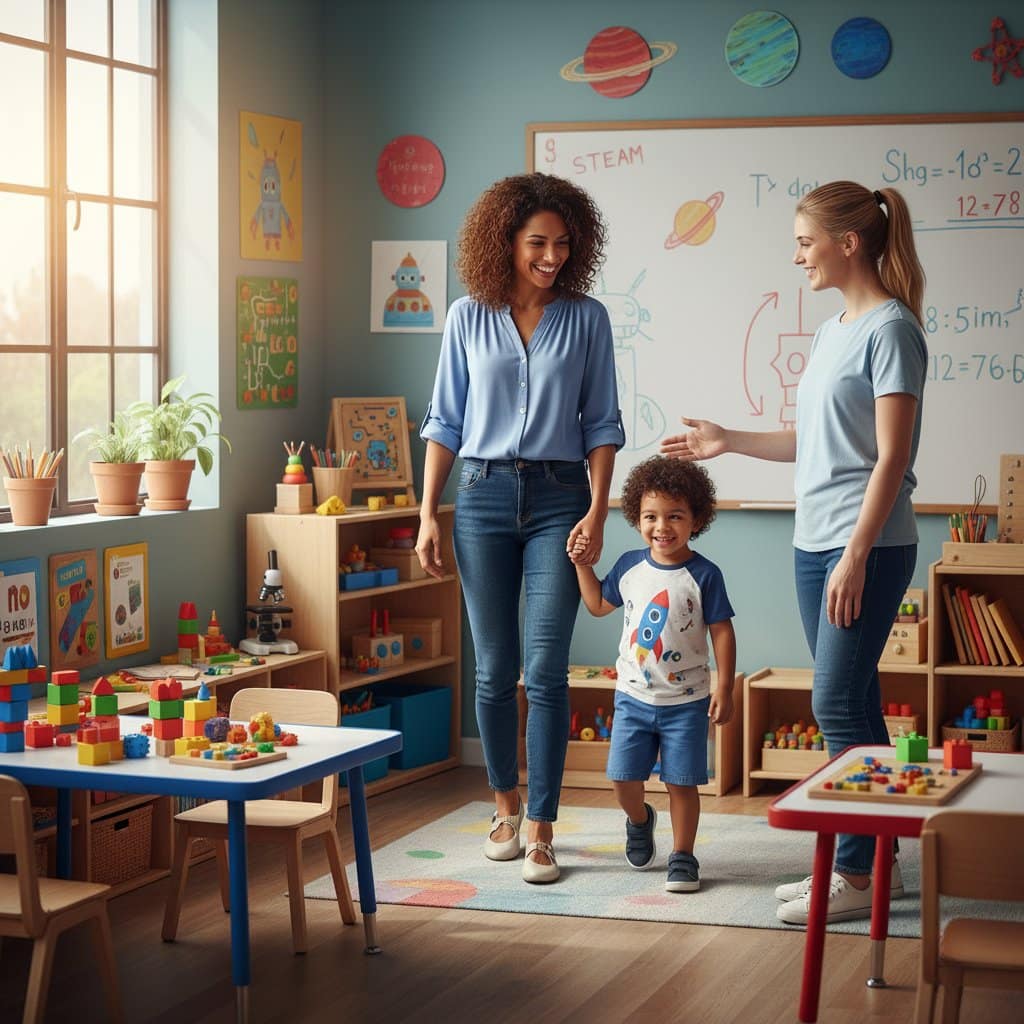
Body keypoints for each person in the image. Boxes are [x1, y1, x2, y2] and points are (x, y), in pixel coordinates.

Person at [661, 180, 927, 924]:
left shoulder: (891, 330)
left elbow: (891, 460)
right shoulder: (834, 329)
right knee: (858, 699)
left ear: (849, 243)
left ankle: (855, 873)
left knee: (835, 701)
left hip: (862, 547)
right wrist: (729, 441)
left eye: (805, 242)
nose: (796, 255)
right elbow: (819, 440)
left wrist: (856, 553)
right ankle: (881, 867)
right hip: (814, 542)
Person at [417, 173, 624, 884]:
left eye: (564, 244)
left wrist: (599, 510)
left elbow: (601, 424)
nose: (552, 256)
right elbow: (445, 420)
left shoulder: (587, 318)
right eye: (538, 242)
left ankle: (542, 826)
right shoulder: (466, 316)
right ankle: (503, 804)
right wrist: (426, 514)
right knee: (494, 668)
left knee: (545, 669)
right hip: (478, 495)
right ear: (504, 240)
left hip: (562, 498)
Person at [571, 456, 736, 893]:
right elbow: (596, 606)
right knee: (623, 780)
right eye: (650, 516)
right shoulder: (628, 566)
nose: (662, 526)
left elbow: (722, 632)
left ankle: (683, 856)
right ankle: (640, 820)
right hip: (632, 698)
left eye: (674, 516)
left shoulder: (705, 574)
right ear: (636, 518)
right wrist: (581, 564)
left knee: (682, 784)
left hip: (687, 702)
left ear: (695, 519)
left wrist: (725, 685)